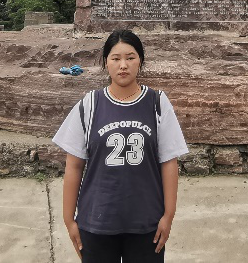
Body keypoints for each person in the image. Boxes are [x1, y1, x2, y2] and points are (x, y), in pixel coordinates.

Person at [53, 29, 189, 262]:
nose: (123, 65)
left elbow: (169, 162)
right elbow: (73, 166)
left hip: (146, 223)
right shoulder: (90, 104)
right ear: (106, 62)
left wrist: (169, 215)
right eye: (116, 58)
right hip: (96, 223)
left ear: (140, 61)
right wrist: (69, 220)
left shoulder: (157, 103)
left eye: (130, 57)